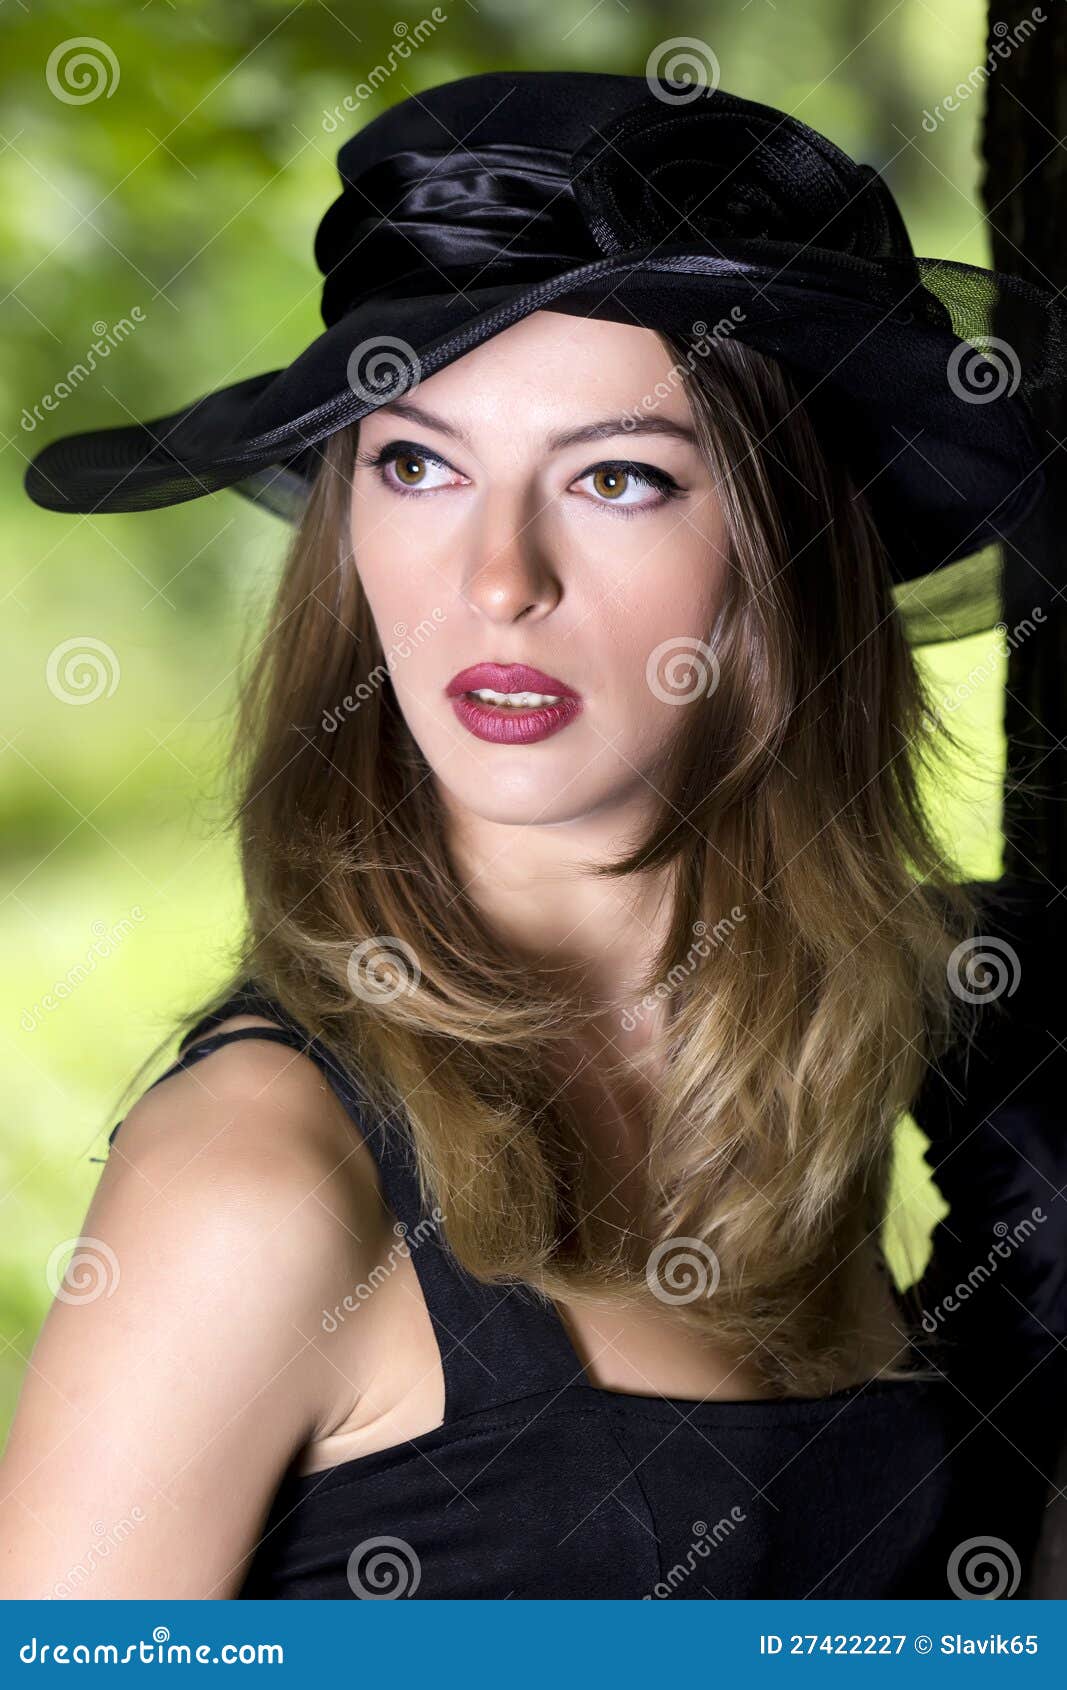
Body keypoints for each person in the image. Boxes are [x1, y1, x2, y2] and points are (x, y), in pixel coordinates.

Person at [4, 69, 1066, 1601]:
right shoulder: (255, 1186)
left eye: (618, 477)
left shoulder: (808, 1087)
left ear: (797, 559)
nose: (498, 578)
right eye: (418, 463)